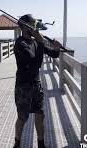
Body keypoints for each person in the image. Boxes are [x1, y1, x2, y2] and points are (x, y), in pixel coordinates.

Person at [13, 14, 62, 148]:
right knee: (22, 117)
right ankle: (17, 143)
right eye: (32, 25)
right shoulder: (20, 44)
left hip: (36, 84)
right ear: (23, 26)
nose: (35, 27)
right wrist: (40, 42)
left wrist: (56, 48)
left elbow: (53, 54)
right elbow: (36, 63)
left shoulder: (36, 41)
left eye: (35, 25)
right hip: (23, 86)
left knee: (40, 114)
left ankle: (41, 144)